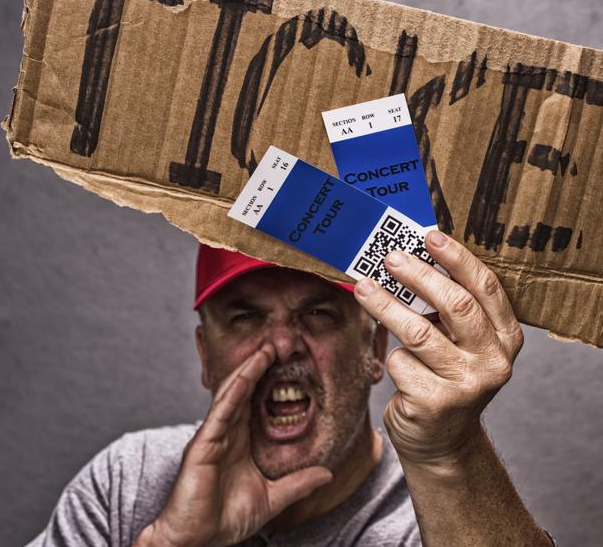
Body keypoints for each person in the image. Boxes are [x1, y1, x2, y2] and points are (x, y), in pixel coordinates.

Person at [28, 231, 554, 546]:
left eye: (319, 314)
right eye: (245, 317)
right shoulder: (127, 483)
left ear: (373, 353)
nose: (280, 345)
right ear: (205, 357)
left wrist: (448, 456)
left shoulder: (439, 516)